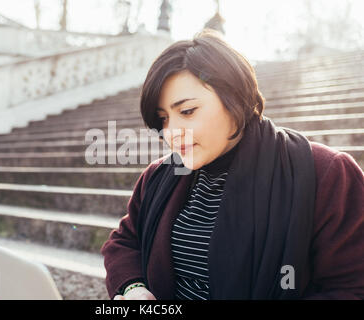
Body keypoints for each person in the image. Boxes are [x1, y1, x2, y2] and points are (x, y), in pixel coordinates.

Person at [101, 29, 364, 300]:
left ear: (235, 98)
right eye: (163, 119)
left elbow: (351, 288)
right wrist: (133, 288)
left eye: (188, 111)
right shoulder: (158, 177)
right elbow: (124, 240)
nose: (171, 132)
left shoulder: (327, 174)